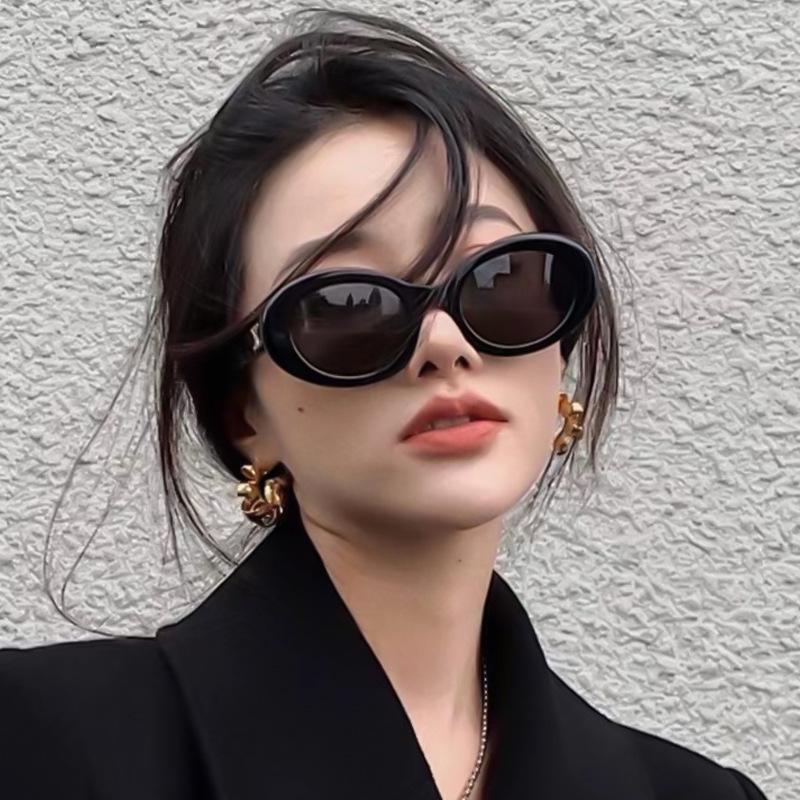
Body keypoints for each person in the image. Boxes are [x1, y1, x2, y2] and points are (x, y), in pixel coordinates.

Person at [0, 8, 769, 800]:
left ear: (559, 358)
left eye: (501, 280)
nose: (444, 342)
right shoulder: (38, 746)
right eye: (348, 305)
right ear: (245, 415)